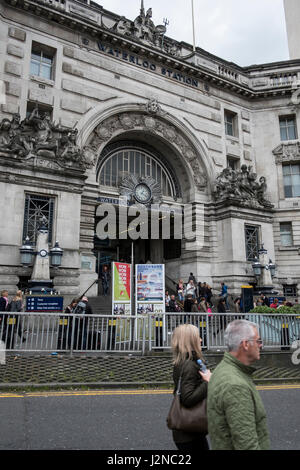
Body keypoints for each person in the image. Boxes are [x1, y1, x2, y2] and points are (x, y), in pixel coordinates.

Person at [207, 319, 270, 450]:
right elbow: (247, 445)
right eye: (258, 341)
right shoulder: (235, 386)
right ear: (246, 344)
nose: (261, 345)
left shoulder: (224, 369)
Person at [171, 324, 211, 452]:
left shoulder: (187, 361)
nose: (200, 340)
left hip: (192, 429)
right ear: (190, 341)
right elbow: (187, 398)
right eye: (197, 337)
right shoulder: (189, 365)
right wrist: (208, 382)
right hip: (188, 432)